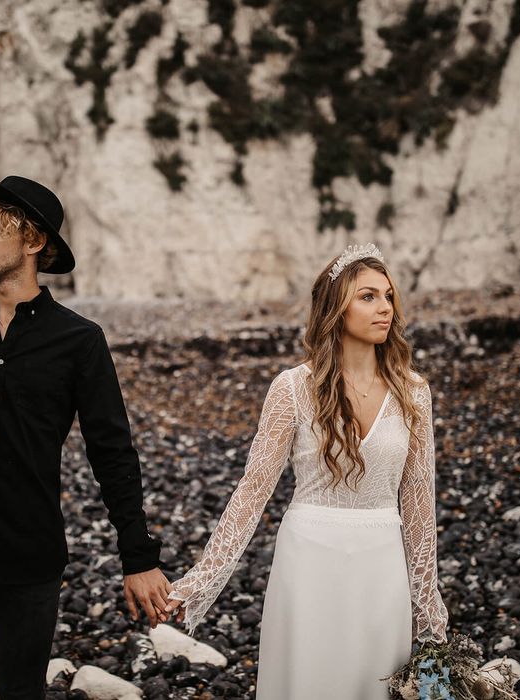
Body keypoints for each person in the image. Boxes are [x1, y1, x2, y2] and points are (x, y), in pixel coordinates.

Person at [0, 175, 173, 700]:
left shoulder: (79, 341)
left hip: (28, 551)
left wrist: (138, 557)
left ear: (32, 241)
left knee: (22, 694)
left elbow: (111, 451)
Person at [165, 243, 449, 699]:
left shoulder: (413, 392)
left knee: (372, 685)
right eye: (368, 296)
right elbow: (253, 489)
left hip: (382, 564)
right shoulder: (293, 389)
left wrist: (428, 605)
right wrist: (202, 578)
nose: (386, 309)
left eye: (389, 297)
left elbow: (419, 503)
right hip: (309, 560)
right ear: (336, 307)